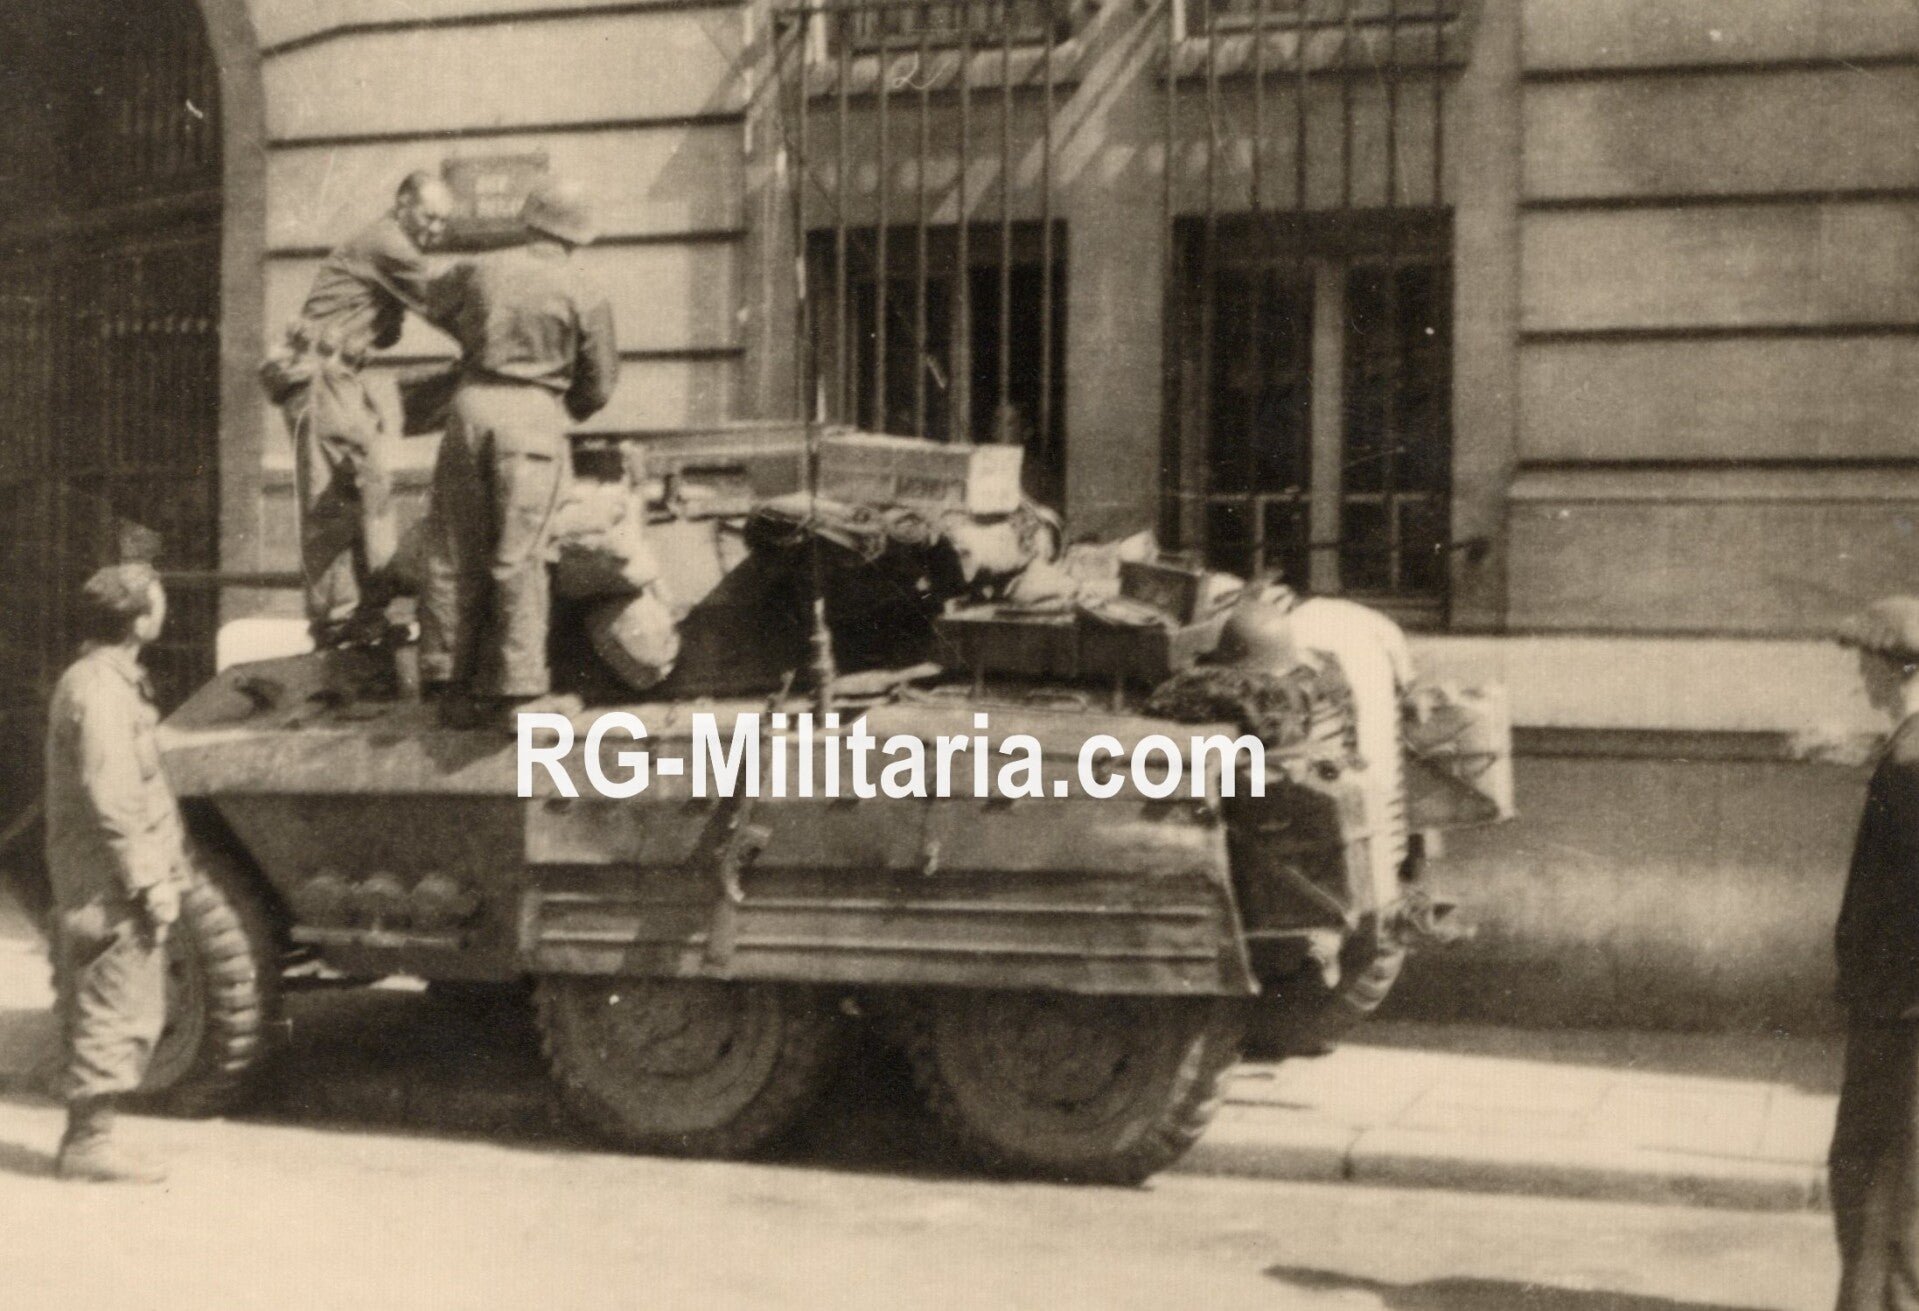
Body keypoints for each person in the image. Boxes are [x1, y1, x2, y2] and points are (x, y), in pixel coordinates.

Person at [418, 175, 619, 726]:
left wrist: (476, 342)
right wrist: (555, 405)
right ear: (577, 235)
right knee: (520, 554)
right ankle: (518, 694)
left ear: (530, 219)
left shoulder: (480, 267)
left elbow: (430, 301)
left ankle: (446, 686)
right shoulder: (584, 286)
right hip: (532, 415)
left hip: (467, 408)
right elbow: (599, 383)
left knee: (453, 549)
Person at [260, 171, 457, 648]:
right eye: (429, 218)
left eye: (443, 224)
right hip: (323, 377)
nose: (434, 231)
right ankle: (339, 621)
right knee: (334, 496)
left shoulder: (386, 246)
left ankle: (362, 615)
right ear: (402, 203)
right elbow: (446, 304)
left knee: (365, 486)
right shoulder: (389, 244)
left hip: (338, 376)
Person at [42, 563, 186, 1184]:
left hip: (100, 874)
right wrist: (150, 880)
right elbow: (115, 797)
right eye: (157, 602)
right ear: (137, 620)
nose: (164, 610)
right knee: (111, 1001)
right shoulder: (99, 690)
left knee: (108, 998)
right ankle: (90, 1146)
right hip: (107, 879)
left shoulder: (105, 680)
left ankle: (89, 1138)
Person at [1829, 595, 1919, 1308]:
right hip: (1897, 999)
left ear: (1896, 667)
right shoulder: (1905, 749)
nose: (1859, 675)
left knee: (1873, 1178)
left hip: (1900, 1006)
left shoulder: (1911, 762)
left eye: (1864, 659)